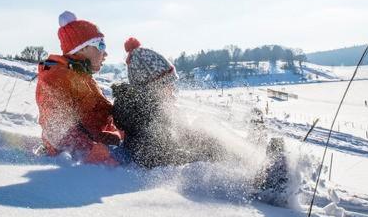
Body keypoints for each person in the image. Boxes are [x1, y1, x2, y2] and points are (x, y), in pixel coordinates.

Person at [112, 38, 288, 205]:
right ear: (152, 88)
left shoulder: (155, 109)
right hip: (174, 167)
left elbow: (179, 134)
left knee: (204, 126)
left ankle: (252, 153)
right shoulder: (142, 116)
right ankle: (261, 182)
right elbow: (156, 155)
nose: (173, 89)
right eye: (168, 84)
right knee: (206, 139)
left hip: (180, 155)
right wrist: (197, 150)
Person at [35, 11, 125, 165]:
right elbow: (56, 127)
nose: (106, 53)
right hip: (82, 159)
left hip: (105, 144)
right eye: (101, 45)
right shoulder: (56, 78)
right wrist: (90, 151)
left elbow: (101, 114)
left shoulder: (82, 76)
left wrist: (125, 110)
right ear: (80, 49)